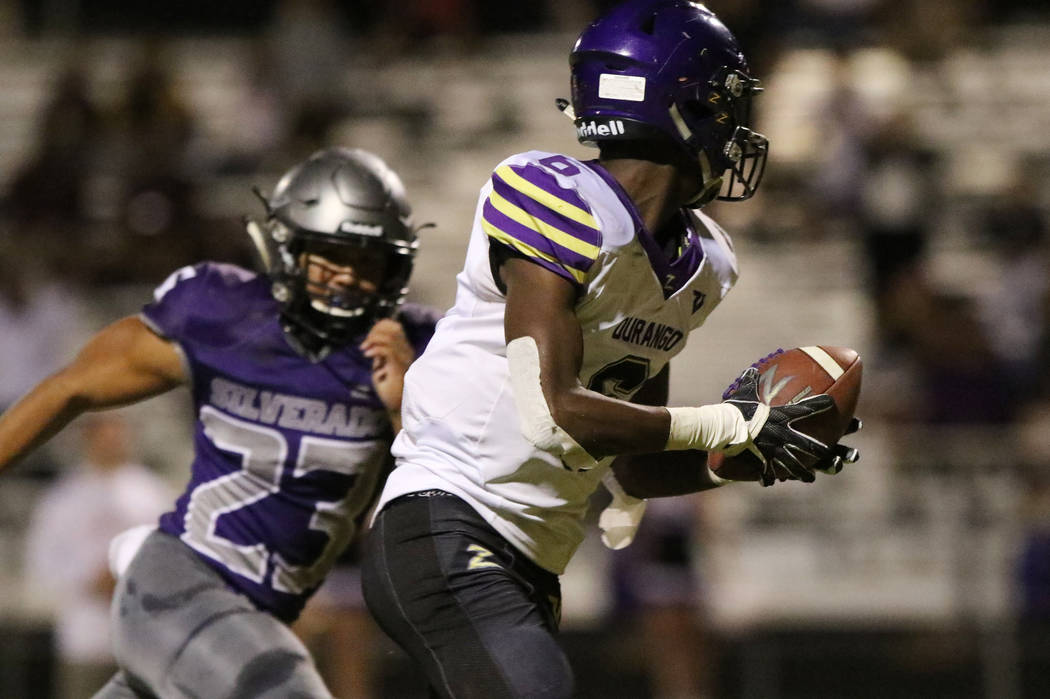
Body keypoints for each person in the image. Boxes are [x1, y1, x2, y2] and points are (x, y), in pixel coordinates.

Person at [360, 2, 861, 697]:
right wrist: (725, 420)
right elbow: (548, 408)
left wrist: (759, 456)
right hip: (445, 521)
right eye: (725, 104)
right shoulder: (551, 194)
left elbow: (638, 466)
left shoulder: (702, 260)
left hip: (532, 559)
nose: (740, 128)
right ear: (678, 104)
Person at [0, 147, 439, 698]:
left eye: (367, 260)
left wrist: (403, 405)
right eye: (331, 254)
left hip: (253, 619)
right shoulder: (221, 313)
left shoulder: (412, 348)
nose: (348, 277)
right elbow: (73, 386)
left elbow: (448, 486)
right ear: (290, 248)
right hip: (178, 585)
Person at [24, 414, 172, 699]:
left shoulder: (152, 493)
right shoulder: (63, 496)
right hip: (84, 638)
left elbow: (173, 556)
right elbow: (42, 560)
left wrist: (130, 579)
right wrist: (90, 580)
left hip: (142, 642)